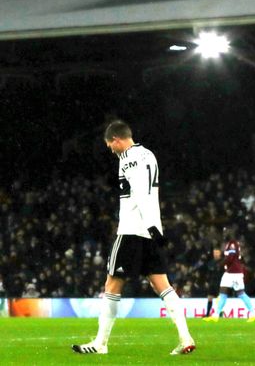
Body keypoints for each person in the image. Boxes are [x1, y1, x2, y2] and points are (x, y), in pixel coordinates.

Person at [72, 120, 195, 355]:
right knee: (163, 285)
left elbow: (140, 192)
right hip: (151, 231)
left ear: (117, 139)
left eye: (109, 145)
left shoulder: (127, 158)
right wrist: (155, 228)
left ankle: (100, 344)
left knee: (112, 284)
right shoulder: (149, 154)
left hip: (131, 230)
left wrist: (150, 225)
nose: (110, 149)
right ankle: (186, 337)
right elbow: (150, 191)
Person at [204, 232, 255, 321]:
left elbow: (231, 257)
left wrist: (221, 264)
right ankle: (216, 315)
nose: (224, 234)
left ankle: (253, 313)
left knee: (241, 294)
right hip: (229, 273)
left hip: (235, 273)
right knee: (222, 293)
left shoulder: (233, 244)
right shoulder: (229, 244)